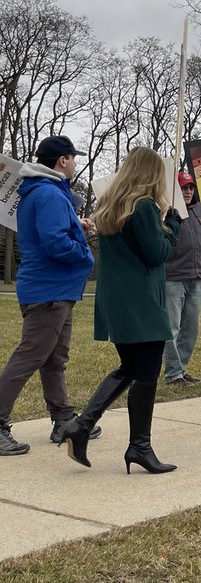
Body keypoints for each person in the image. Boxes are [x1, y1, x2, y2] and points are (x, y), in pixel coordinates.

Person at [61, 147, 181, 473]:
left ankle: (81, 426)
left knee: (129, 368)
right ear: (150, 175)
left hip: (119, 300)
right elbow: (157, 253)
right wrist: (173, 225)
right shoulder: (142, 208)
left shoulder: (109, 207)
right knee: (145, 373)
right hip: (142, 302)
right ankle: (139, 446)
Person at [0, 135, 97, 457]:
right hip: (49, 290)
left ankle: (63, 418)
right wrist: (84, 255)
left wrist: (76, 227)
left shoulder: (43, 191)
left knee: (55, 359)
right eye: (74, 158)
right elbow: (55, 243)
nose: (75, 164)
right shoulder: (50, 194)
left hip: (54, 289)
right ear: (63, 161)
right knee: (30, 356)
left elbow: (50, 234)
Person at [163, 170, 201, 386]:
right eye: (183, 187)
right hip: (172, 278)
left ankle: (182, 369)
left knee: (190, 329)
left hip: (197, 279)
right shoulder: (166, 211)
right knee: (171, 329)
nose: (187, 191)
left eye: (190, 187)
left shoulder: (200, 211)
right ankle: (173, 374)